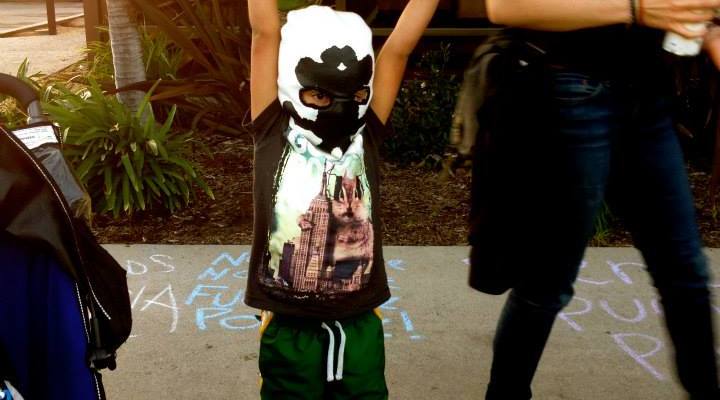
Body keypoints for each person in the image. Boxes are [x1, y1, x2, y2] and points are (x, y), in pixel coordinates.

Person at [473, 0, 720, 398]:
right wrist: (636, 10)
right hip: (569, 86)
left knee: (686, 274)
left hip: (648, 95)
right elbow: (505, 7)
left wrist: (706, 27)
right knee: (547, 281)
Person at [245, 1, 438, 398]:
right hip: (289, 321)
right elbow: (264, 32)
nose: (336, 106)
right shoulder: (272, 129)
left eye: (356, 93)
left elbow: (398, 50)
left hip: (358, 319)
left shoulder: (366, 135)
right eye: (317, 96)